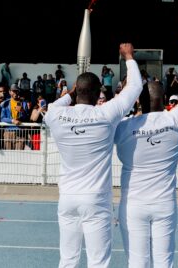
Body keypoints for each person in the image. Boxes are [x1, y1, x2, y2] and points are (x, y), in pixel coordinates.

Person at [44, 43, 142, 268]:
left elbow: (52, 105)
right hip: (96, 199)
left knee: (67, 260)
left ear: (76, 90)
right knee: (98, 262)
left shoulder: (57, 115)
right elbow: (135, 86)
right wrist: (128, 57)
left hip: (67, 197)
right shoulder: (106, 113)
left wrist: (70, 93)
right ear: (100, 93)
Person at [114, 25, 178, 268]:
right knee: (165, 263)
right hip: (165, 205)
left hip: (133, 205)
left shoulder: (122, 126)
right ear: (165, 100)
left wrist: (129, 59)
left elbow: (116, 105)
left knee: (137, 263)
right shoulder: (176, 118)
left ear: (138, 101)